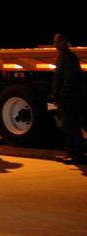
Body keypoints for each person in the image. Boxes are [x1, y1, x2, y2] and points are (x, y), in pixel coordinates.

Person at [52, 34, 84, 164]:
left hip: (69, 99)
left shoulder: (68, 58)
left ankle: (77, 155)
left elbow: (70, 79)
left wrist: (62, 94)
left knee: (72, 126)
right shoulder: (64, 57)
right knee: (68, 126)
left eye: (56, 42)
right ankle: (71, 152)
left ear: (63, 43)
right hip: (67, 98)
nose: (54, 44)